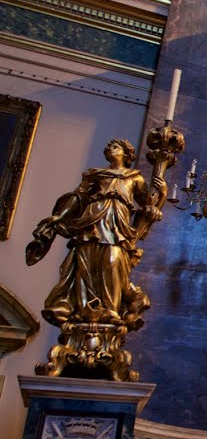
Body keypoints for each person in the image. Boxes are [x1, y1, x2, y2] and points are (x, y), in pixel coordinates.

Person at [26, 138, 164, 332]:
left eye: (115, 146)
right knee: (85, 264)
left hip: (117, 226)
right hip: (91, 223)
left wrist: (160, 194)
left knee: (112, 261)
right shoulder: (95, 176)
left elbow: (147, 203)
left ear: (127, 154)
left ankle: (110, 309)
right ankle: (84, 310)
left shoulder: (134, 178)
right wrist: (60, 216)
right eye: (108, 145)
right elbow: (77, 198)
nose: (109, 148)